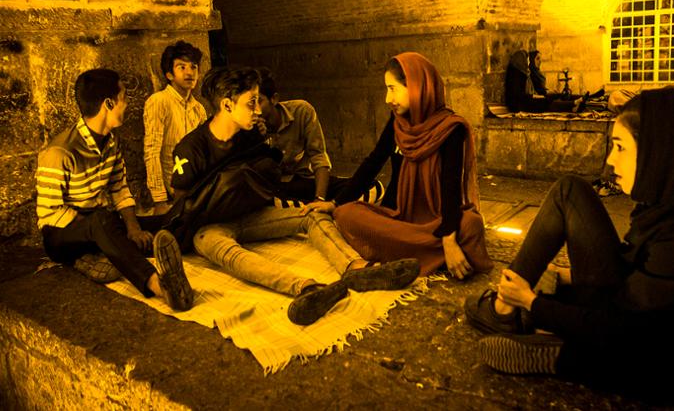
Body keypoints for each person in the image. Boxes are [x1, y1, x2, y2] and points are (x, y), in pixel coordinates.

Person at [464, 88, 674, 405]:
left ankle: (558, 348)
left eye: (620, 147)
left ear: (663, 150)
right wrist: (568, 277)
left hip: (658, 357)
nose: (610, 160)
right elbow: (642, 273)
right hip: (639, 315)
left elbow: (627, 331)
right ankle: (522, 315)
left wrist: (532, 303)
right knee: (570, 191)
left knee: (602, 341)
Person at [172, 66, 419, 326]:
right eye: (251, 102)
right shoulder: (191, 149)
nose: (258, 110)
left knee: (311, 215)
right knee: (225, 250)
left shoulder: (253, 136)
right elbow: (181, 204)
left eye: (258, 101)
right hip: (210, 226)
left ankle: (355, 268)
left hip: (252, 214)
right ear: (227, 105)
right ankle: (306, 288)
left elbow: (269, 176)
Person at [305, 52, 494, 279]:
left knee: (472, 224)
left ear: (417, 87)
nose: (388, 98)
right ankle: (431, 255)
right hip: (397, 217)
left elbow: (450, 185)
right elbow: (373, 162)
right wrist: (335, 202)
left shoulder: (449, 128)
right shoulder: (397, 123)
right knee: (346, 214)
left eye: (392, 88)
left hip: (437, 221)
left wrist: (449, 238)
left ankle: (413, 252)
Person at [36, 69, 194, 311]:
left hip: (100, 225)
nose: (127, 104)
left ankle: (114, 255)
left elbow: (119, 186)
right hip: (61, 236)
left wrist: (132, 228)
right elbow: (49, 212)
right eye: (124, 98)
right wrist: (104, 232)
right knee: (103, 222)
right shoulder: (60, 152)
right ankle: (159, 285)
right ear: (109, 103)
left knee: (162, 221)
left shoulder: (111, 141)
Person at [254, 67, 350, 202]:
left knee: (366, 186)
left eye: (258, 101)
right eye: (250, 103)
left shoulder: (301, 111)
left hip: (303, 182)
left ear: (274, 99)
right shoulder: (247, 124)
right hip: (273, 189)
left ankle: (306, 205)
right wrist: (255, 137)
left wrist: (320, 199)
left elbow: (318, 156)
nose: (254, 109)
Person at [143, 41, 207, 215]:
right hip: (171, 193)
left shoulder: (198, 109)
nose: (189, 72)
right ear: (169, 74)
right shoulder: (159, 101)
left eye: (193, 67)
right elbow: (152, 152)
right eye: (182, 67)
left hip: (195, 191)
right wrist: (159, 200)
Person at [505, 50, 585, 113]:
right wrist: (534, 96)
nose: (528, 63)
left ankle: (574, 104)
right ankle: (573, 104)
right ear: (521, 61)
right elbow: (518, 95)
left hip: (525, 101)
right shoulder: (516, 75)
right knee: (545, 101)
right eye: (527, 60)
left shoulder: (523, 73)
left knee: (549, 99)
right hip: (518, 105)